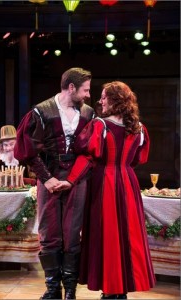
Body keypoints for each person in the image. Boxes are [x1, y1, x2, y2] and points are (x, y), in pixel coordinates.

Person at [55, 81, 156, 299]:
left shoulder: (100, 125)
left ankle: (111, 291)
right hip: (128, 182)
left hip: (105, 184)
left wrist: (71, 180)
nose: (100, 100)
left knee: (108, 234)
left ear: (115, 100)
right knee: (126, 234)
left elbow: (88, 156)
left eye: (104, 97)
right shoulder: (139, 128)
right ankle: (119, 291)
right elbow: (140, 158)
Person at [13, 67, 94, 300]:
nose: (88, 95)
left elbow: (90, 151)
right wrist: (46, 178)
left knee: (72, 231)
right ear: (71, 87)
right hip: (48, 175)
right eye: (85, 90)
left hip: (76, 179)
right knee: (49, 232)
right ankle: (52, 290)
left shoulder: (88, 113)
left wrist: (71, 179)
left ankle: (70, 290)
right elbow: (26, 150)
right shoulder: (42, 111)